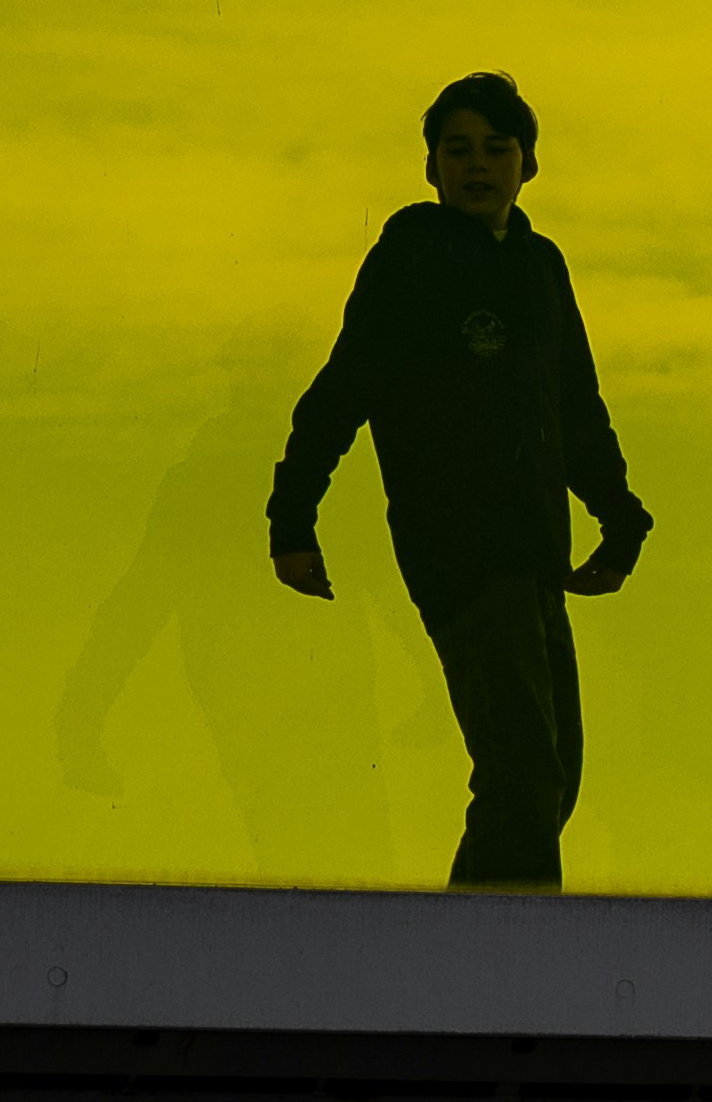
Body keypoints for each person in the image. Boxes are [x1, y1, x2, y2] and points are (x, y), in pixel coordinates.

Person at [269, 73, 647, 890]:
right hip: (465, 555)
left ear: (527, 164)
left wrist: (621, 523)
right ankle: (499, 967)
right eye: (458, 150)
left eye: (496, 149)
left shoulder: (542, 267)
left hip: (539, 555)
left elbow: (576, 407)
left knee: (552, 778)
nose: (477, 165)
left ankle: (464, 944)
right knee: (525, 774)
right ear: (432, 168)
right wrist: (292, 521)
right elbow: (344, 389)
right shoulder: (414, 256)